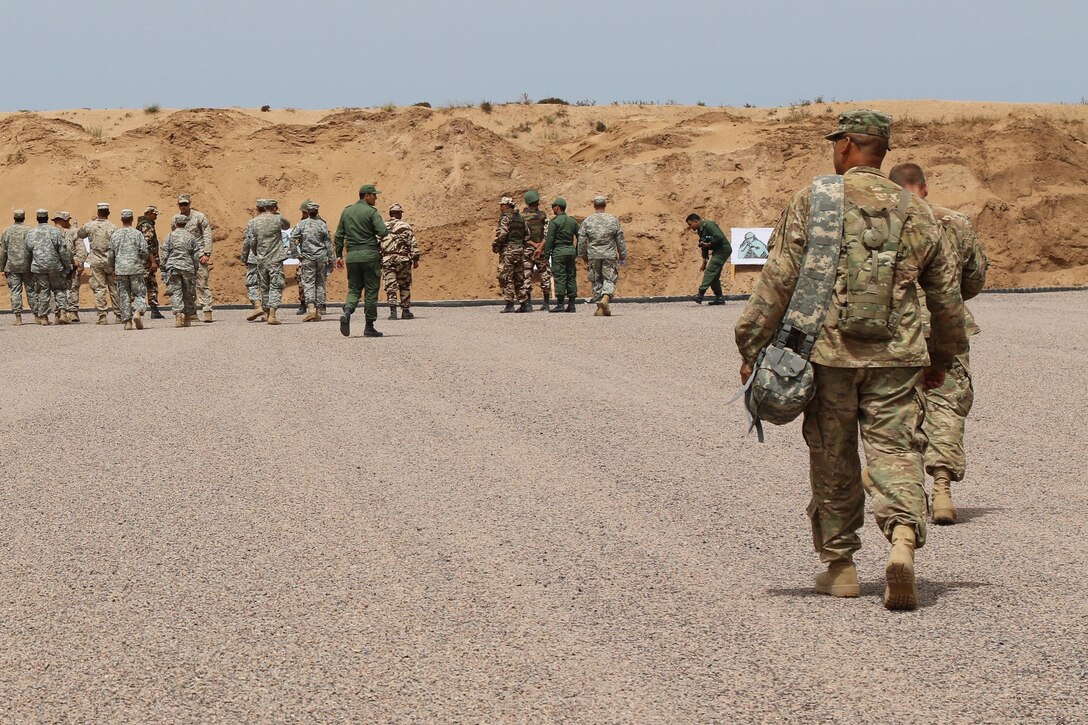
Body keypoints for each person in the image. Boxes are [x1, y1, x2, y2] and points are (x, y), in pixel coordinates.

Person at [734, 110, 967, 610]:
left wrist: (752, 346)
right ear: (881, 153)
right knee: (897, 450)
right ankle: (903, 539)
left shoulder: (813, 201)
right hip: (898, 356)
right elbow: (947, 299)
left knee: (833, 455)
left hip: (827, 356)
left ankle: (840, 565)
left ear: (844, 147)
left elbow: (778, 280)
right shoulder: (918, 210)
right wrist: (941, 358)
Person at [889, 162, 989, 525]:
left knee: (899, 412)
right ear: (925, 188)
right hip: (946, 328)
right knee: (947, 405)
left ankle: (907, 496)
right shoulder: (955, 222)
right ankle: (943, 487)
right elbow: (975, 280)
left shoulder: (885, 224)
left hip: (899, 332)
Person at [335, 183, 388, 338]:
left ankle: (347, 311)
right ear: (367, 196)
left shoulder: (346, 211)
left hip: (351, 257)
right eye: (374, 195)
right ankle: (369, 326)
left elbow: (338, 235)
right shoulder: (371, 212)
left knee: (354, 289)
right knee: (371, 291)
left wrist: (339, 255)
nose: (376, 198)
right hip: (370, 255)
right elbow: (383, 231)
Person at [241, 198, 288, 325]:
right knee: (276, 285)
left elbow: (249, 241)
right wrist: (277, 214)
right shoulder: (277, 219)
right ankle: (272, 314)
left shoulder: (253, 222)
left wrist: (246, 257)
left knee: (264, 287)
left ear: (258, 209)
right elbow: (287, 225)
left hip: (261, 259)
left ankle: (266, 312)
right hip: (275, 259)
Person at [578, 195, 627, 316]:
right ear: (605, 205)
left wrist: (582, 255)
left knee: (596, 280)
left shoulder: (588, 221)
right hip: (609, 254)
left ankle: (600, 307)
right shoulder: (612, 220)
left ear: (594, 206)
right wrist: (622, 254)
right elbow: (619, 239)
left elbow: (582, 240)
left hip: (593, 255)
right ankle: (605, 298)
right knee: (609, 278)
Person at [24, 209, 72, 325]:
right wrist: (67, 266)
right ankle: (62, 313)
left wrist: (29, 267)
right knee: (59, 289)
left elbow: (27, 252)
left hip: (38, 266)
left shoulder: (31, 233)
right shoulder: (55, 232)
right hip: (55, 266)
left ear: (37, 219)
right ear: (47, 218)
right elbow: (63, 250)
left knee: (43, 291)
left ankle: (44, 317)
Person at [290, 202, 334, 322]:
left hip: (307, 258)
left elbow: (292, 238)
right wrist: (331, 259)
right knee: (320, 283)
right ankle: (319, 310)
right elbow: (328, 243)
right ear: (317, 212)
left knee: (308, 283)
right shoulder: (322, 225)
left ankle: (311, 309)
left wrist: (296, 254)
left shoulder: (301, 224)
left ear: (308, 212)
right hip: (321, 257)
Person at [77, 202, 119, 324]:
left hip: (96, 262)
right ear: (108, 213)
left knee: (99, 288)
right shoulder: (113, 227)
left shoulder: (90, 226)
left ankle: (102, 316)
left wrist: (89, 221)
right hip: (110, 262)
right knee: (114, 288)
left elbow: (80, 234)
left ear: (98, 213)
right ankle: (119, 315)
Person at [109, 209, 150, 330]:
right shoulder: (137, 234)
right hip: (135, 268)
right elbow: (144, 251)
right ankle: (138, 312)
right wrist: (142, 259)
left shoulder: (115, 234)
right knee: (139, 293)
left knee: (124, 295)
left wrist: (112, 267)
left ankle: (127, 322)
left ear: (122, 219)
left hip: (121, 270)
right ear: (132, 219)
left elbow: (111, 254)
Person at [177, 194, 214, 322]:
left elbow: (207, 235)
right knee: (187, 286)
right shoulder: (176, 219)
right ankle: (191, 312)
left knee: (202, 283)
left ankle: (207, 310)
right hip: (184, 258)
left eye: (185, 204)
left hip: (199, 255)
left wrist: (207, 253)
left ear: (189, 204)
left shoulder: (199, 217)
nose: (183, 207)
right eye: (181, 204)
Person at [380, 203, 421, 320]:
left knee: (390, 285)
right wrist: (415, 259)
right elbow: (413, 244)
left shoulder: (383, 226)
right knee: (404, 285)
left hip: (387, 259)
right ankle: (405, 310)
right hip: (403, 259)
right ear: (399, 214)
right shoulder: (406, 226)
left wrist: (379, 259)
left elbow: (377, 244)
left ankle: (393, 311)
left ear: (390, 214)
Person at [160, 214, 201, 327]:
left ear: (176, 223)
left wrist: (163, 266)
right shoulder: (191, 237)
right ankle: (187, 317)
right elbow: (196, 254)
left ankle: (178, 314)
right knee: (188, 291)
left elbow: (164, 252)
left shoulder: (170, 236)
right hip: (188, 267)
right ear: (186, 223)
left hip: (173, 267)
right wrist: (195, 267)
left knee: (176, 291)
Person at [493, 196, 531, 313]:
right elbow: (527, 235)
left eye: (502, 205)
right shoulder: (520, 218)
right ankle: (524, 303)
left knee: (505, 277)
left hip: (508, 251)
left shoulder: (505, 218)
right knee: (519, 277)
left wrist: (496, 244)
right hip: (519, 251)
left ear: (507, 206)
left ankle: (509, 303)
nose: (500, 207)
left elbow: (502, 233)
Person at [545, 198, 579, 312]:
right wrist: (577, 250)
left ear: (557, 207)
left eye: (553, 207)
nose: (552, 209)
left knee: (560, 277)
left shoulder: (554, 222)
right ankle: (572, 304)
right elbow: (581, 236)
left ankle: (560, 304)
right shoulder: (572, 221)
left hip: (559, 252)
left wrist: (546, 255)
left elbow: (549, 239)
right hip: (570, 251)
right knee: (571, 276)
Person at [687, 214, 730, 305]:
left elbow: (719, 237)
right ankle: (719, 298)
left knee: (710, 272)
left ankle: (700, 295)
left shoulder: (708, 225)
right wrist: (704, 261)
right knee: (713, 276)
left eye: (690, 224)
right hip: (718, 251)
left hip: (723, 249)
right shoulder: (700, 231)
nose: (690, 227)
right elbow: (704, 246)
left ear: (696, 221)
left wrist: (709, 244)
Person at [0, 209, 34, 325]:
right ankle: (37, 315)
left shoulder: (7, 231)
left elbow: (3, 251)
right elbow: (33, 248)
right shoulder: (29, 230)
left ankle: (18, 317)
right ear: (23, 218)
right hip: (28, 266)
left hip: (12, 266)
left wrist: (2, 267)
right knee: (31, 290)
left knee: (15, 291)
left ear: (14, 218)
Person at [522, 190, 553, 310]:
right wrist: (539, 246)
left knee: (526, 275)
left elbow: (521, 234)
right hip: (541, 250)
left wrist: (532, 244)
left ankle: (528, 304)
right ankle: (546, 303)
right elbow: (547, 233)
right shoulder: (543, 215)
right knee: (545, 275)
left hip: (527, 250)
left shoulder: (521, 216)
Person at [52, 211, 84, 322]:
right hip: (65, 264)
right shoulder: (60, 232)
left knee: (70, 288)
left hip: (65, 265)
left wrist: (80, 263)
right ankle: (63, 312)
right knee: (65, 289)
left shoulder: (73, 231)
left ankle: (70, 312)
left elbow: (80, 249)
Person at [137, 206, 164, 319]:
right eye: (154, 214)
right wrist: (153, 261)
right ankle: (142, 310)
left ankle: (152, 310)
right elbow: (147, 245)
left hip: (145, 260)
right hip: (146, 261)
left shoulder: (145, 224)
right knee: (149, 284)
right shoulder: (146, 226)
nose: (156, 216)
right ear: (148, 213)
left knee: (149, 284)